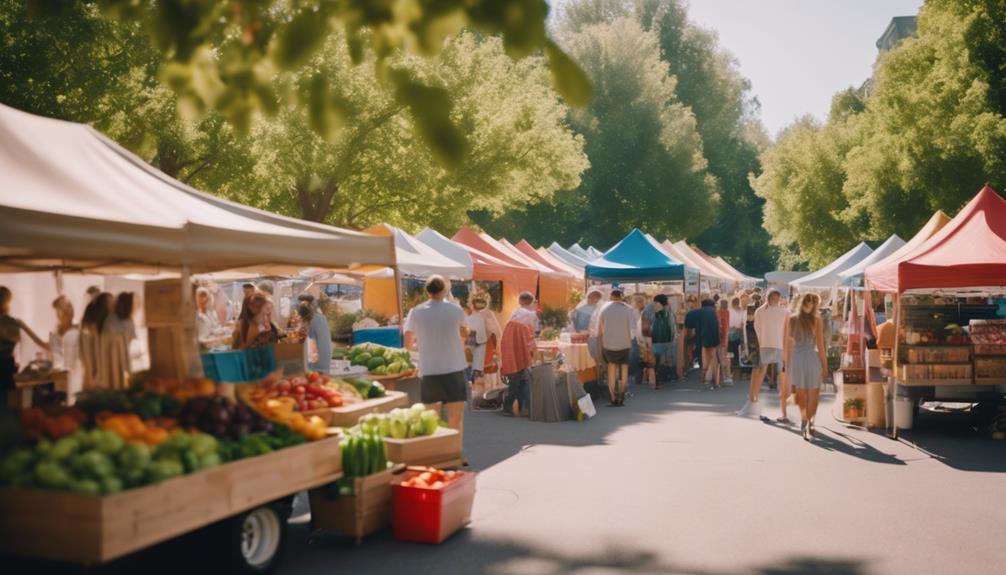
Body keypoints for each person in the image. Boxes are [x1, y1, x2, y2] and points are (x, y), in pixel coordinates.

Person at [403, 276, 469, 434]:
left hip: (429, 370)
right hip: (454, 368)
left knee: (431, 420)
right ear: (445, 291)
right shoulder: (456, 311)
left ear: (427, 291)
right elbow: (464, 334)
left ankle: (436, 453)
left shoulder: (416, 312)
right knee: (456, 418)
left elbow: (408, 344)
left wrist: (423, 346)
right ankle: (455, 454)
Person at [736, 289, 790, 419]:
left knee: (759, 373)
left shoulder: (759, 311)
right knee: (782, 376)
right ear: (778, 298)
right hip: (779, 345)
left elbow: (757, 329)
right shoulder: (785, 312)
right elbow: (787, 332)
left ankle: (753, 399)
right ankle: (784, 412)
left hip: (763, 344)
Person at [785, 293, 828, 440]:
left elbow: (788, 344)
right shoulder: (817, 321)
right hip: (811, 358)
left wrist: (787, 363)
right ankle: (811, 421)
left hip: (797, 359)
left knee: (801, 394)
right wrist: (825, 365)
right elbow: (821, 346)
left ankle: (804, 419)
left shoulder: (792, 319)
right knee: (813, 394)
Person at [1, 286, 50, 400]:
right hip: (6, 368)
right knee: (9, 405)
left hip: (7, 367)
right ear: (7, 302)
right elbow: (38, 343)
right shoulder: (11, 322)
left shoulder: (13, 322)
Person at [598, 289, 635, 406]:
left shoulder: (604, 309)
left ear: (611, 297)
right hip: (624, 344)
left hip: (609, 344)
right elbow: (633, 329)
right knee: (624, 369)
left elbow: (601, 328)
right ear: (621, 297)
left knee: (611, 369)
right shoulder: (628, 309)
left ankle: (613, 398)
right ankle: (621, 395)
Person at [500, 306, 535, 417]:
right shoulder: (523, 326)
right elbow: (529, 343)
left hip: (511, 359)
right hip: (520, 358)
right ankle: (516, 407)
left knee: (517, 382)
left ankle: (517, 407)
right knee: (519, 382)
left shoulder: (509, 325)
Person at [100, 292, 137, 390]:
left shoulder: (130, 321)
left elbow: (132, 342)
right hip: (111, 362)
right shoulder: (110, 320)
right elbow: (107, 341)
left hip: (125, 361)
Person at [49, 296, 82, 402]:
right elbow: (55, 356)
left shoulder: (78, 331)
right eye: (56, 313)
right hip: (59, 379)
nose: (58, 316)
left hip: (74, 377)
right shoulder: (55, 333)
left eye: (60, 312)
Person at [80, 292, 113, 390]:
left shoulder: (104, 330)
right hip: (95, 384)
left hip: (98, 383)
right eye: (111, 304)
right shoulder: (91, 331)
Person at [465, 294, 502, 383]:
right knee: (488, 385)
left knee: (478, 385)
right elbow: (498, 333)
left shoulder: (472, 317)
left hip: (478, 355)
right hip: (488, 354)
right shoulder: (489, 314)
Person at [644, 294, 676, 389]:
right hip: (664, 341)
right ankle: (655, 381)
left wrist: (646, 340)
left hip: (655, 341)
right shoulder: (668, 311)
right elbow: (673, 327)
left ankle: (654, 381)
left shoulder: (649, 310)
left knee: (655, 361)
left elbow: (645, 327)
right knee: (658, 361)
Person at [298, 294, 332, 374]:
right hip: (324, 363)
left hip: (317, 367)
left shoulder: (313, 321)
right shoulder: (320, 318)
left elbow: (311, 346)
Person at [692, 299, 721, 389]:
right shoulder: (714, 314)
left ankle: (704, 379)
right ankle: (715, 382)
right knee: (714, 360)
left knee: (705, 360)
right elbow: (718, 327)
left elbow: (697, 327)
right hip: (713, 340)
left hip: (704, 339)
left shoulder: (700, 314)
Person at [717, 299, 733, 386]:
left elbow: (720, 325)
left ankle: (724, 376)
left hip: (721, 337)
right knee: (725, 357)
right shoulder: (726, 312)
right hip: (724, 338)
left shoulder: (719, 312)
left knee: (721, 357)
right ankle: (726, 376)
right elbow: (725, 326)